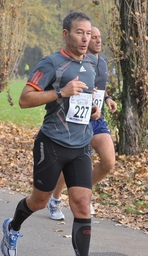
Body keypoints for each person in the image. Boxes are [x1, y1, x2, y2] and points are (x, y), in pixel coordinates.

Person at [0, 12, 100, 256]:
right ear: (66, 34)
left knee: (82, 204)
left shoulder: (91, 63)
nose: (85, 38)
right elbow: (24, 100)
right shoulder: (51, 63)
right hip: (53, 143)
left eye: (88, 33)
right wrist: (61, 92)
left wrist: (93, 111)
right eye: (80, 32)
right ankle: (12, 228)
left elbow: (82, 101)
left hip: (81, 145)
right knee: (40, 201)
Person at [47, 26, 118, 220]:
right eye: (93, 37)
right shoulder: (79, 61)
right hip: (78, 121)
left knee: (109, 162)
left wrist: (107, 99)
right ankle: (54, 200)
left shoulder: (102, 62)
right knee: (69, 163)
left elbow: (100, 88)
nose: (97, 41)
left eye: (99, 37)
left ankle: (81, 194)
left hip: (97, 119)